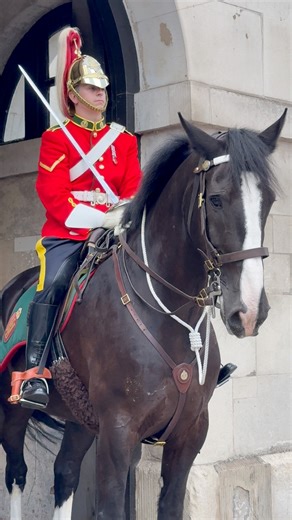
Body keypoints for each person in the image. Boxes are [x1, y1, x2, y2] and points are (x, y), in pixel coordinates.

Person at [19, 27, 142, 409]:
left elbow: (133, 188)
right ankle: (35, 373)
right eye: (91, 88)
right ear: (73, 95)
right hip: (69, 234)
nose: (101, 93)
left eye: (103, 87)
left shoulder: (123, 141)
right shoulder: (57, 138)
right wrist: (94, 220)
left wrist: (120, 215)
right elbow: (52, 195)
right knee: (54, 282)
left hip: (116, 231)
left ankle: (194, 358)